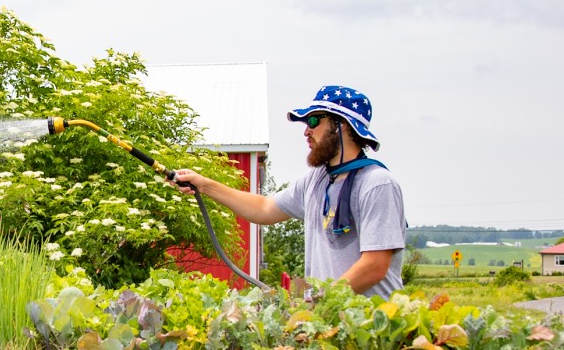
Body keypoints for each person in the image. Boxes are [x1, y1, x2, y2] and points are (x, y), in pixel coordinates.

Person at [172, 84, 406, 297]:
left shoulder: (377, 184)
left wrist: (319, 301)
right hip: (331, 323)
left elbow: (375, 266)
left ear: (341, 125)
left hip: (373, 330)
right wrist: (204, 184)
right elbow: (264, 209)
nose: (306, 131)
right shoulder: (317, 180)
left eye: (314, 122)